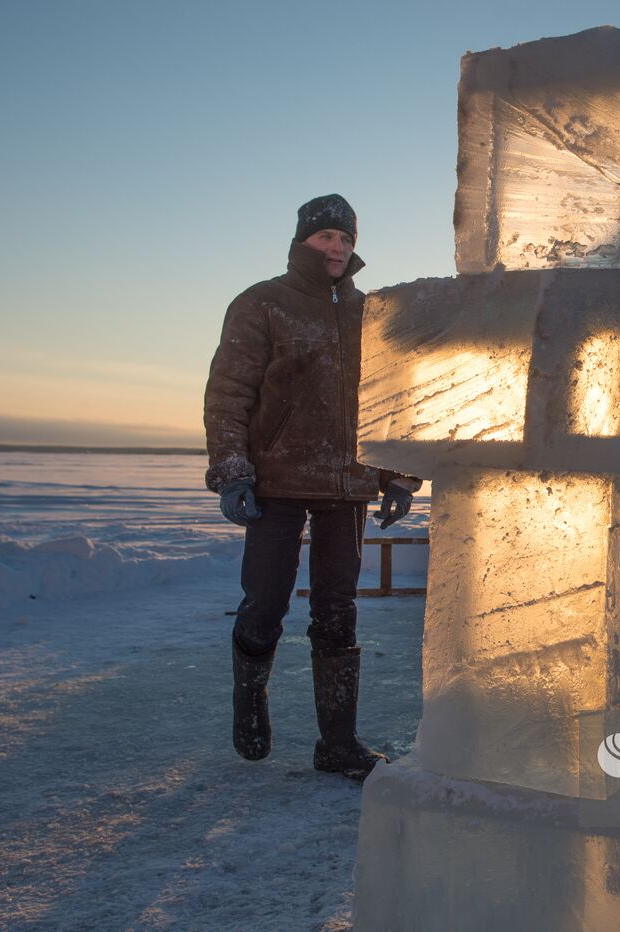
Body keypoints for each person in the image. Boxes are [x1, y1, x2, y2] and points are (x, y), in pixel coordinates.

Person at [204, 194, 420, 779]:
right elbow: (229, 393)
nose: (338, 247)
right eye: (327, 237)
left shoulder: (371, 313)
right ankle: (249, 705)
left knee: (337, 611)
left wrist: (398, 475)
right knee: (266, 603)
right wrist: (232, 472)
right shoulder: (261, 303)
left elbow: (395, 398)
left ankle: (338, 745)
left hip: (348, 486)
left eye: (346, 239)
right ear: (303, 241)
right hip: (275, 482)